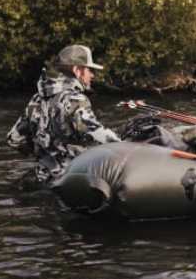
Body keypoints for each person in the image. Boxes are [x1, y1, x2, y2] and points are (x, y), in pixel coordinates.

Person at [7, 44, 120, 190]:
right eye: (89, 70)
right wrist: (124, 144)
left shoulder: (37, 98)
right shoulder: (75, 99)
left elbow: (14, 139)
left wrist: (44, 156)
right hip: (69, 181)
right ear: (77, 70)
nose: (92, 75)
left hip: (42, 177)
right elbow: (97, 134)